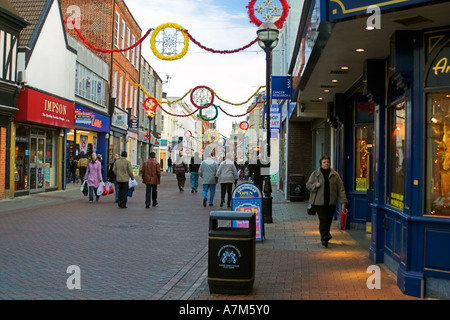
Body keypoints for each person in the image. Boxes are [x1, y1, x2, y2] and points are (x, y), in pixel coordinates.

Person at [306, 155, 348, 248]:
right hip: (319, 203)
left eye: (328, 162)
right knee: (323, 219)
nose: (326, 164)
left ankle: (325, 236)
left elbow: (341, 188)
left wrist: (343, 201)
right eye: (324, 162)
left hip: (331, 202)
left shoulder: (335, 174)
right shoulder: (315, 174)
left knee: (328, 220)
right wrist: (315, 185)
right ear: (321, 164)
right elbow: (308, 185)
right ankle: (325, 237)